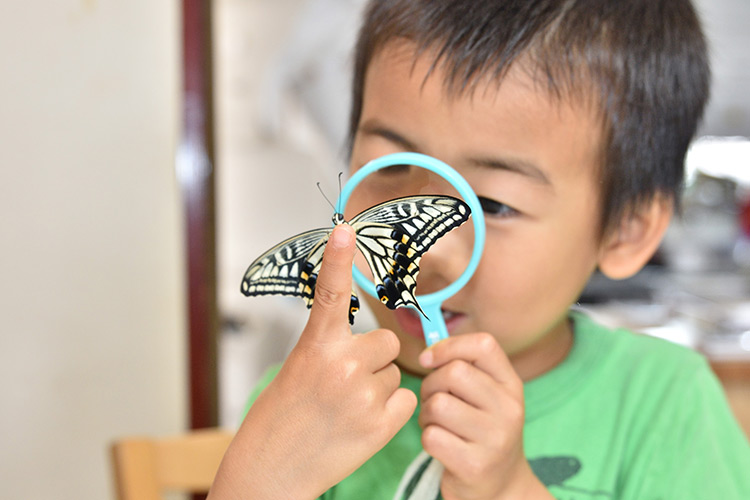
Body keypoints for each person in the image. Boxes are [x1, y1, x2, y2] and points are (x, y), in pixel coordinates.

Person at [208, 1, 750, 499]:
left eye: (491, 204)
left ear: (625, 231)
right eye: (391, 169)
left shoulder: (665, 403)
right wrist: (261, 477)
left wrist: (513, 489)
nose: (424, 254)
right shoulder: (307, 402)